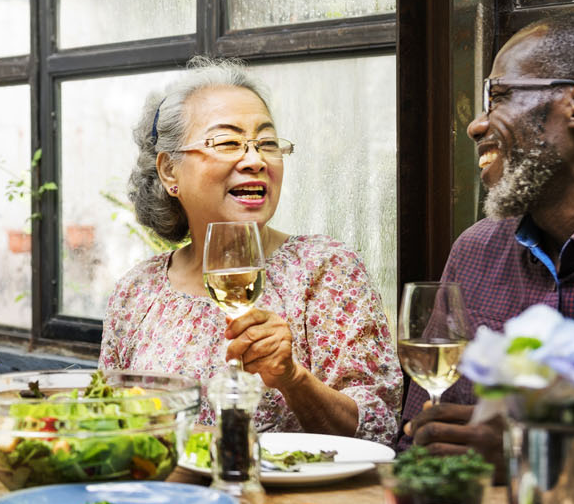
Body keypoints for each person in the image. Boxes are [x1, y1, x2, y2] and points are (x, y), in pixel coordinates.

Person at [400, 10, 574, 504]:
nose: (476, 124)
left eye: (500, 96)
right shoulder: (476, 251)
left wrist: (537, 459)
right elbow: (415, 445)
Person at [101, 57, 403, 444]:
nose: (256, 160)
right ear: (169, 171)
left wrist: (294, 379)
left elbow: (378, 430)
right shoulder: (136, 292)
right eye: (227, 142)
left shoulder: (325, 270)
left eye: (267, 143)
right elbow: (109, 422)